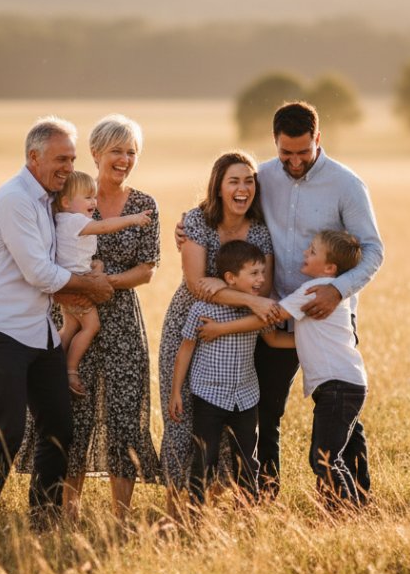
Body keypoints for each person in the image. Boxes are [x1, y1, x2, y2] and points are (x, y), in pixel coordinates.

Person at [177, 101, 384, 500]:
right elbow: (225, 210)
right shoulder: (262, 178)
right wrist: (188, 227)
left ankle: (355, 498)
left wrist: (336, 289)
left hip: (325, 315)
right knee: (265, 410)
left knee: (338, 409)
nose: (293, 161)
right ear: (275, 142)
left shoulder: (346, 185)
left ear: (317, 140)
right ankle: (264, 495)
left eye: (302, 153)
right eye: (285, 153)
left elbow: (374, 251)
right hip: (268, 312)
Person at [0, 116, 113, 524]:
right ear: (33, 156)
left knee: (58, 430)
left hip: (39, 333)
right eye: (60, 159)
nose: (68, 167)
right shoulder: (14, 199)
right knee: (8, 430)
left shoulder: (49, 201)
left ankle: (44, 517)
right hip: (1, 329)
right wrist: (92, 287)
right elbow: (40, 273)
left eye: (72, 159)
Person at [17, 114, 164, 522]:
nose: (124, 159)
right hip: (69, 307)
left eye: (131, 152)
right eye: (116, 150)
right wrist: (82, 289)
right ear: (96, 153)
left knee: (124, 414)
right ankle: (68, 512)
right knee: (72, 416)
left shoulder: (144, 204)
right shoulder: (67, 196)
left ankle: (120, 516)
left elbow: (148, 270)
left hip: (120, 321)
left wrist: (104, 283)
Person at [199, 230, 369, 508]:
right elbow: (281, 339)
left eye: (312, 251)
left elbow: (274, 313)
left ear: (329, 268)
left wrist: (221, 327)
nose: (305, 252)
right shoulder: (330, 294)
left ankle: (348, 511)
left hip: (339, 386)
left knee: (325, 458)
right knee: (326, 456)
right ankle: (346, 510)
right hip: (345, 383)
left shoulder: (314, 289)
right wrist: (263, 332)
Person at [157, 151, 278, 514]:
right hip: (191, 324)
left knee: (228, 426)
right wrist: (248, 300)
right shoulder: (197, 220)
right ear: (219, 186)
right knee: (183, 419)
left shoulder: (259, 230)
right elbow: (196, 285)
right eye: (233, 181)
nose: (242, 189)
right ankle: (177, 508)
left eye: (249, 181)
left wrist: (243, 299)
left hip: (239, 334)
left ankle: (215, 506)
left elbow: (264, 290)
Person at [170, 240, 288, 510]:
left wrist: (310, 341)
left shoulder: (257, 309)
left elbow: (272, 340)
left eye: (262, 272)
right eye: (254, 273)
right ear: (230, 279)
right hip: (209, 395)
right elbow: (185, 350)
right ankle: (196, 512)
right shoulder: (202, 308)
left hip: (245, 397)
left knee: (248, 459)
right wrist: (176, 391)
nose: (261, 279)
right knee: (204, 456)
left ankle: (248, 511)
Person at [51, 170, 152, 397]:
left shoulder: (62, 220)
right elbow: (105, 227)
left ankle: (51, 363)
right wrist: (132, 219)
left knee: (70, 327)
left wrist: (96, 267)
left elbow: (80, 254)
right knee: (91, 326)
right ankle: (70, 370)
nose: (93, 202)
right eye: (87, 197)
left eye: (94, 197)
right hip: (79, 288)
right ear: (66, 202)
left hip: (68, 285)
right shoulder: (74, 221)